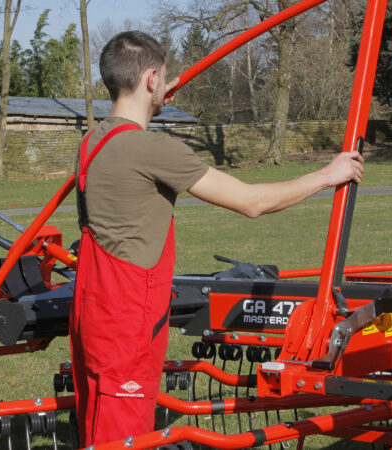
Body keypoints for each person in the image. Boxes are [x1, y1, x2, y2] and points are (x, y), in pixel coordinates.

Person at [69, 30, 364, 447]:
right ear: (152, 79)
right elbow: (251, 201)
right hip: (126, 327)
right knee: (122, 439)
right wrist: (326, 174)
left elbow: (130, 140)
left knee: (100, 427)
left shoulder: (92, 142)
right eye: (163, 79)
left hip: (95, 317)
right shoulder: (154, 149)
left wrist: (152, 98)